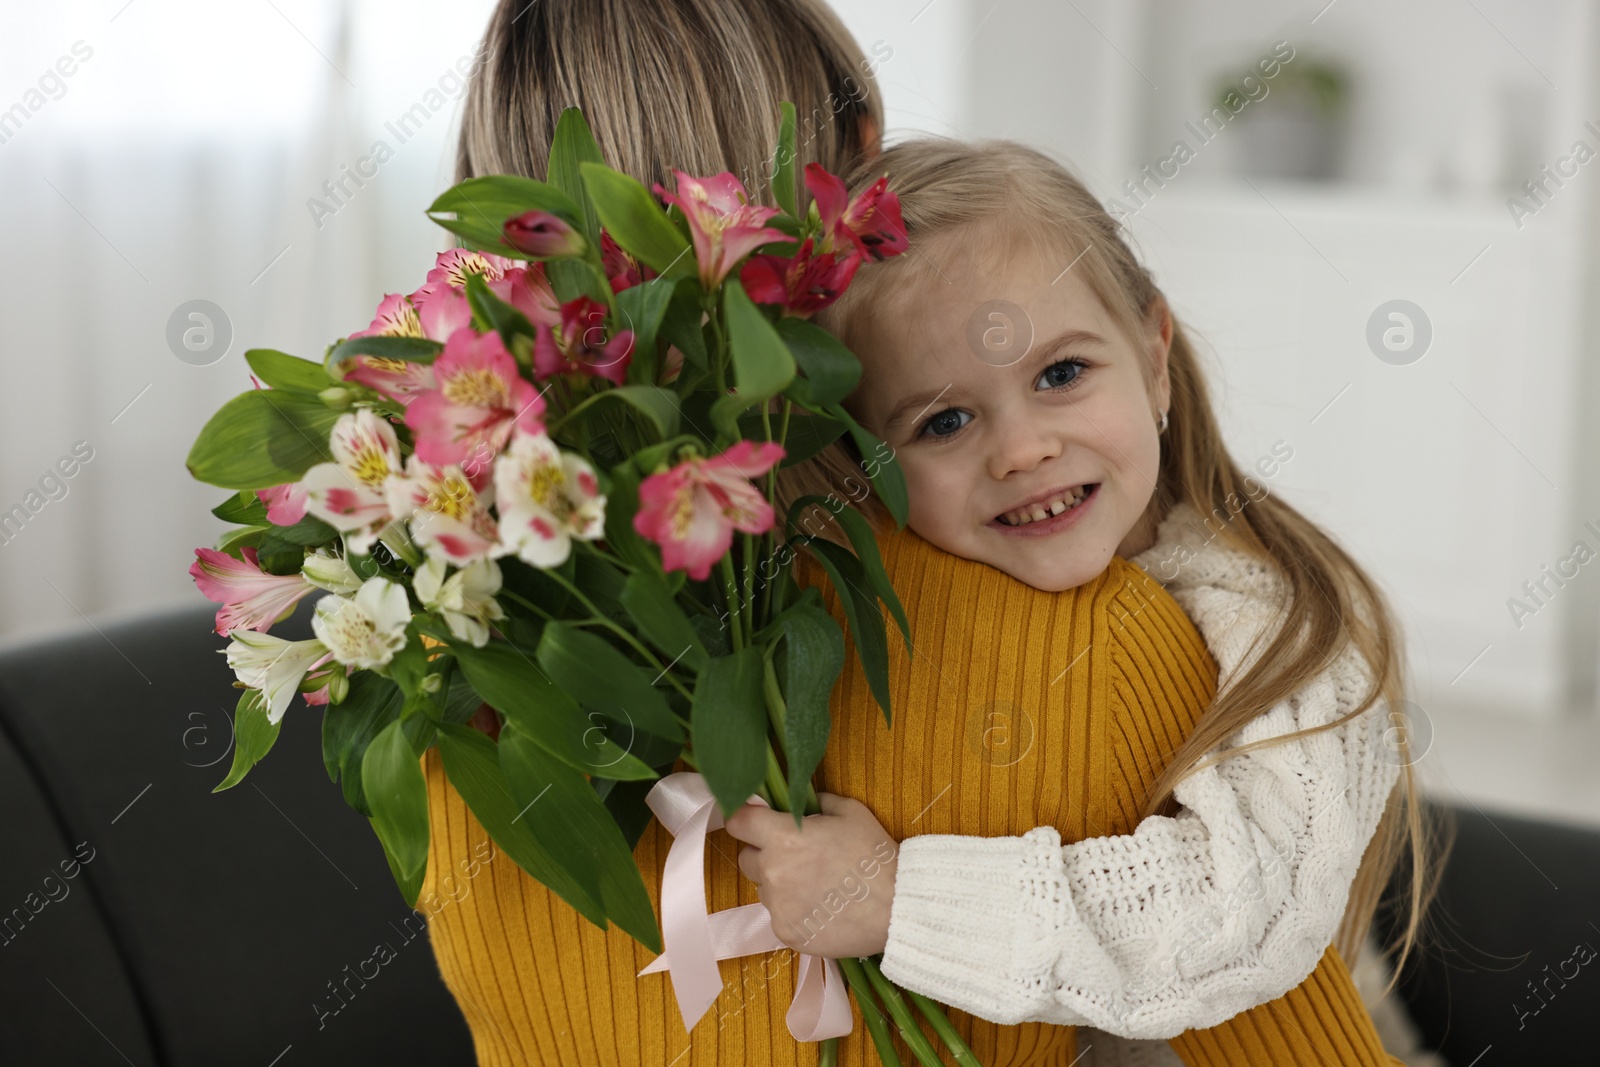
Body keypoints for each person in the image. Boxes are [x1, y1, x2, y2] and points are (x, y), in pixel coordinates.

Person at [418, 2, 1441, 1063]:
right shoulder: (1065, 637)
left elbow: (1255, 926)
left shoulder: (455, 646)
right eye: (943, 419)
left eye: (1061, 372)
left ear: (1152, 347)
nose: (1022, 451)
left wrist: (903, 897)